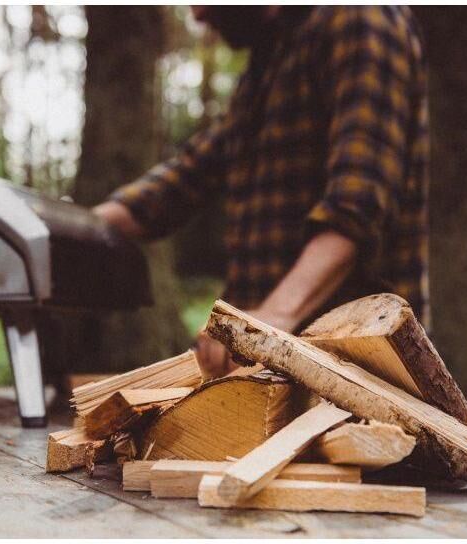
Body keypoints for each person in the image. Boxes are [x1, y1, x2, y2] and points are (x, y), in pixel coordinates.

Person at [93, 6, 429, 378]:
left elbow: (357, 204)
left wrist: (271, 318)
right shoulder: (267, 64)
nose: (198, 16)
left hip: (361, 368)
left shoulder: (359, 18)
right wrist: (69, 227)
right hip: (268, 371)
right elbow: (181, 182)